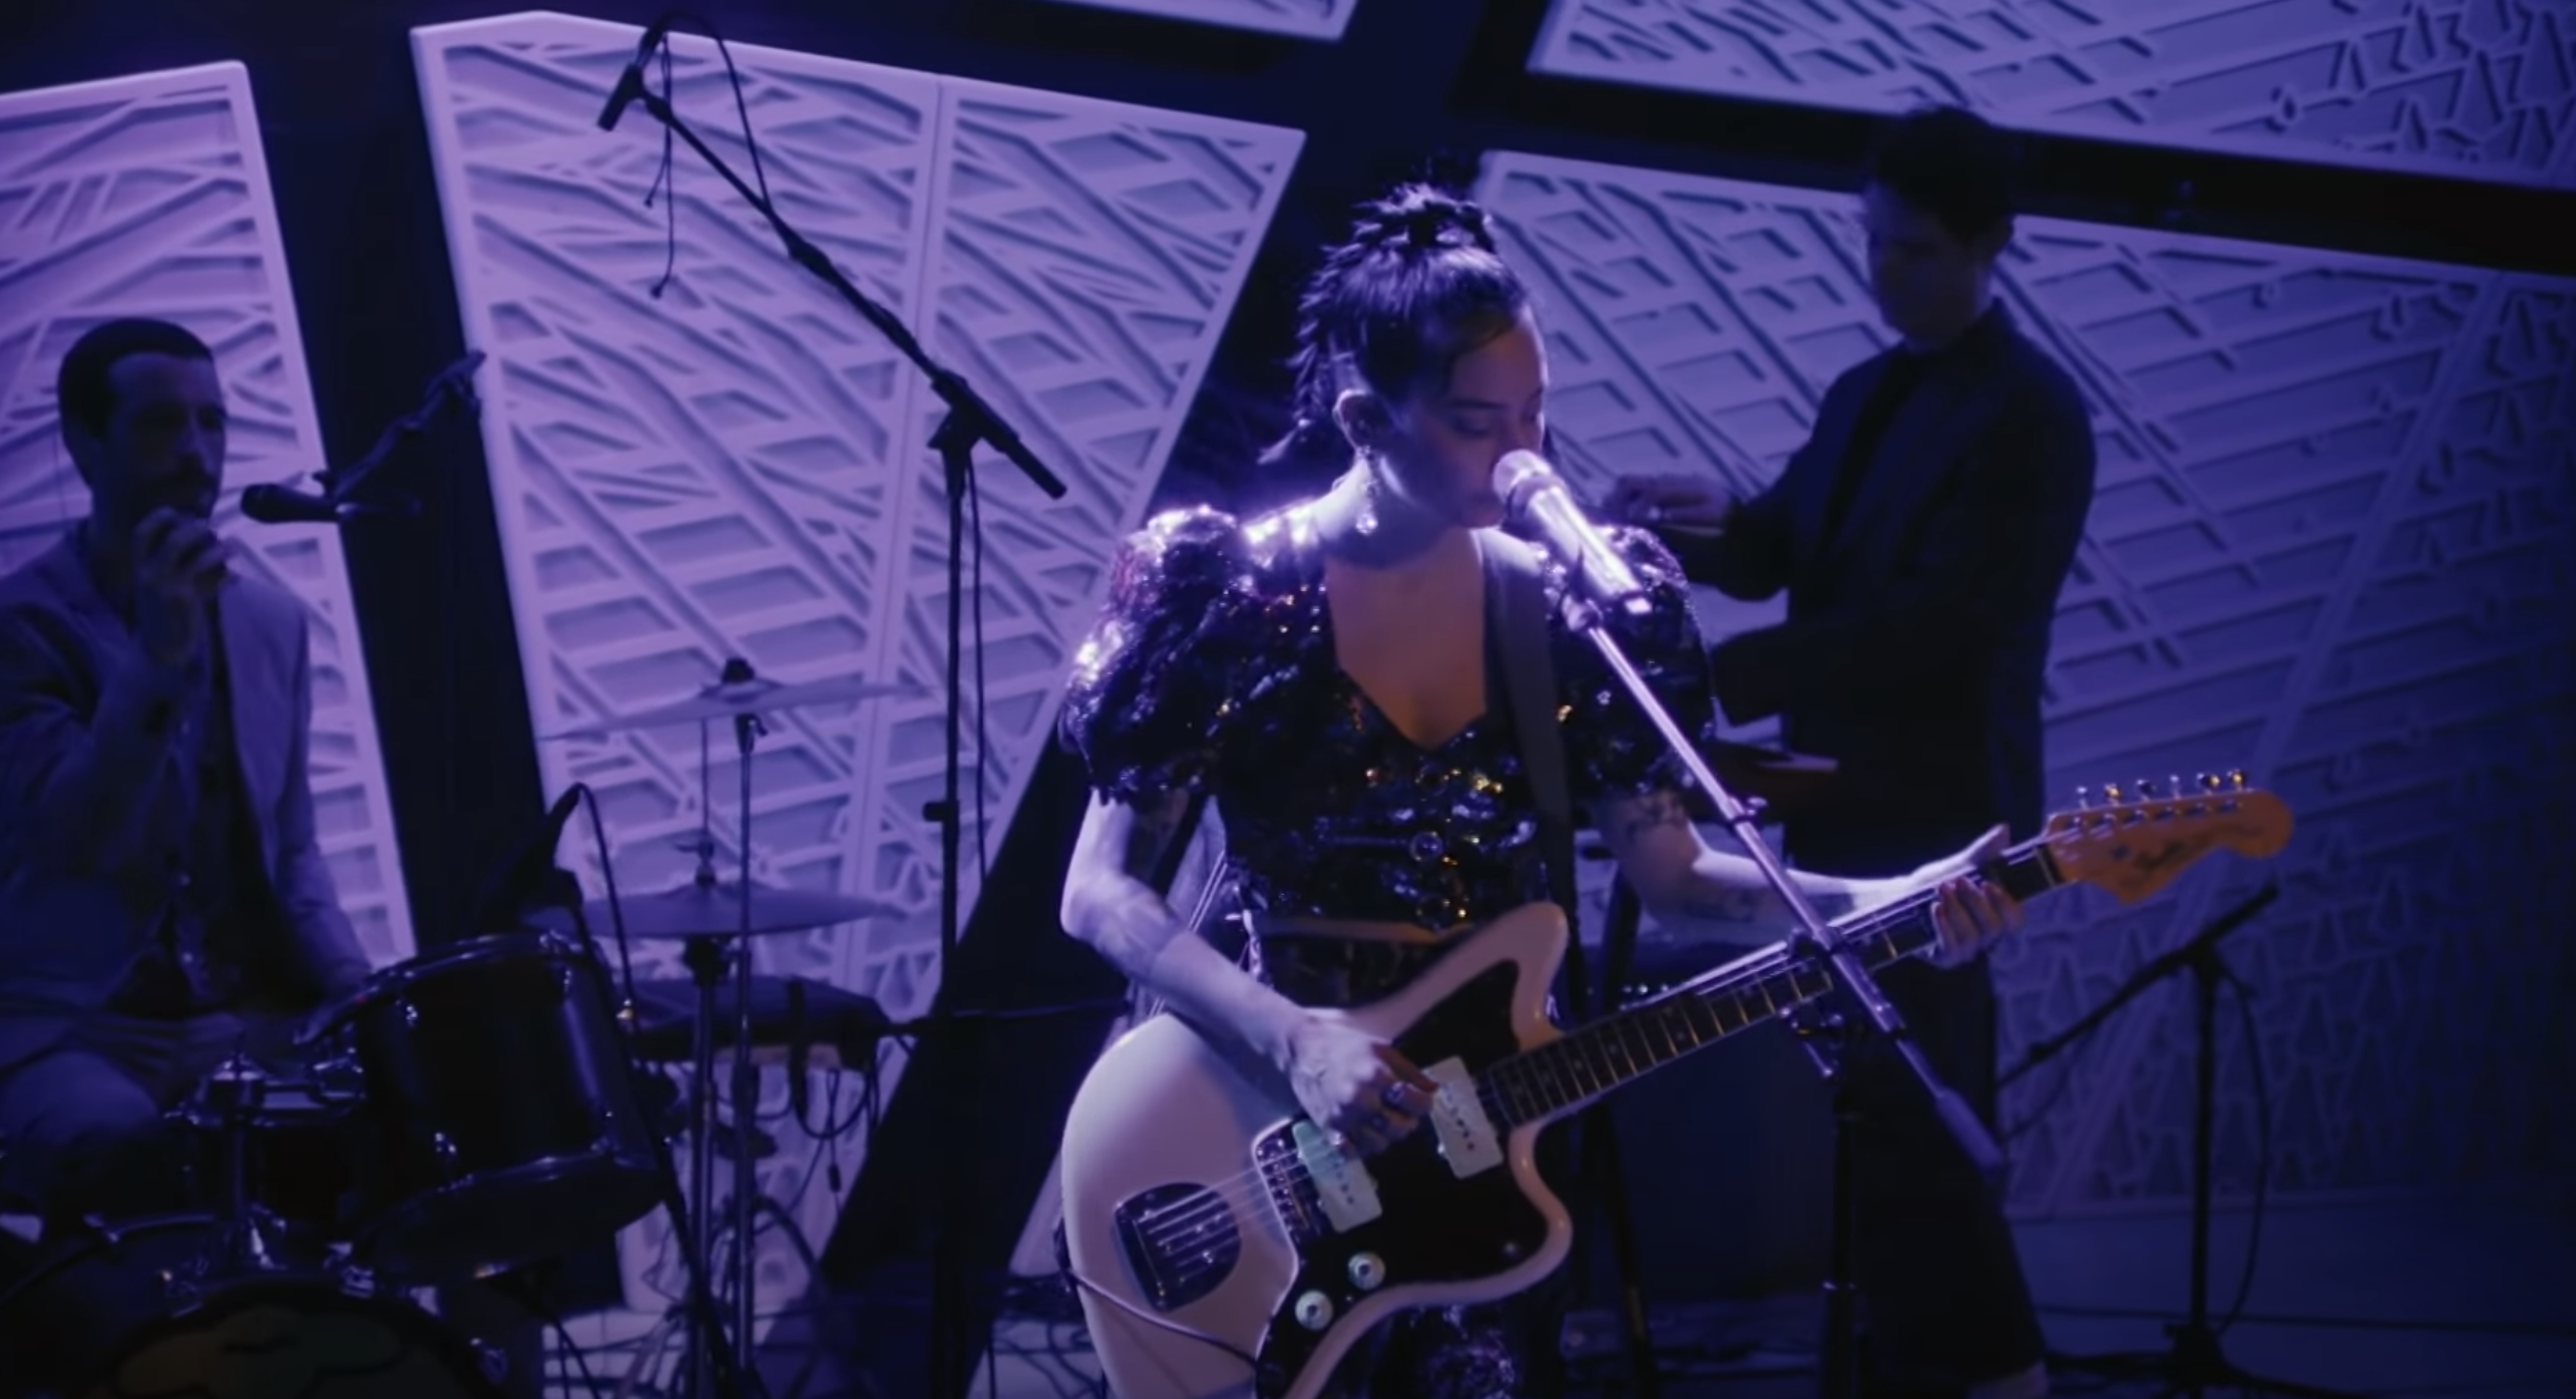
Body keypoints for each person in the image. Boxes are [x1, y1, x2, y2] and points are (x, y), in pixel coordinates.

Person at [1057, 184, 2030, 1399]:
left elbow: (1675, 878)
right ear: (1366, 417)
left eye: (1534, 413)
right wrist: (1295, 1041)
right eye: (1475, 422)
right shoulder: (1231, 599)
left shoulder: (1563, 616)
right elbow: (1097, 895)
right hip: (1261, 1101)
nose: (1520, 454)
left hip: (1484, 1134)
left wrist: (1896, 897)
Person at [1607, 105, 2096, 1399]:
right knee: (1868, 1101)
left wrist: (1717, 677)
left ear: (1988, 244)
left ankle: (1993, 1368)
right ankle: (1913, 1354)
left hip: (1940, 811)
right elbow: (1784, 547)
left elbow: (1936, 621)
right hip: (1837, 798)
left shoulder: (2031, 414)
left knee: (1920, 1097)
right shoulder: (1865, 390)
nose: (1884, 275)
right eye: (1872, 246)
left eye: (1914, 253)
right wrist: (1669, 540)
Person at [0, 318, 374, 1235]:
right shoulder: (21, 628)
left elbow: (293, 853)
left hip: (237, 1016)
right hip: (68, 1025)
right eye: (163, 424)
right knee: (135, 1157)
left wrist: (359, 992)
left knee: (433, 1121)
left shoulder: (272, 622)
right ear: (87, 444)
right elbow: (76, 837)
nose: (198, 453)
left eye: (213, 423)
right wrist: (157, 655)